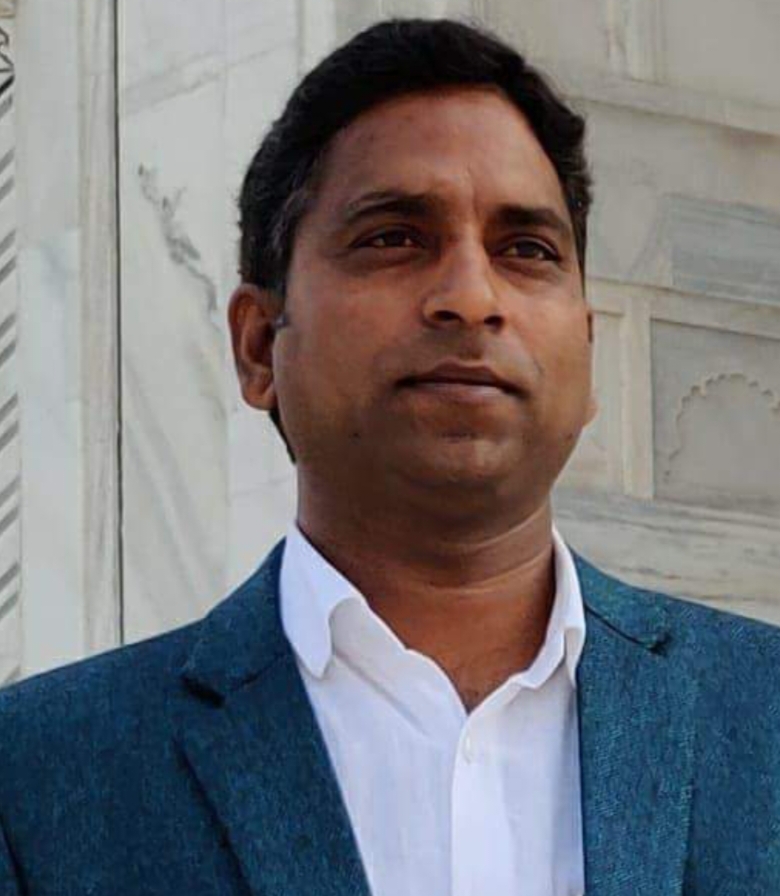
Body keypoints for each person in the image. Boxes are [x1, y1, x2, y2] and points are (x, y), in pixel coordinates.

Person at [1, 17, 779, 896]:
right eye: (394, 238)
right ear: (259, 347)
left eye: (526, 250)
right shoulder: (37, 778)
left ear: (588, 352)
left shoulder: (762, 714)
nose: (471, 297)